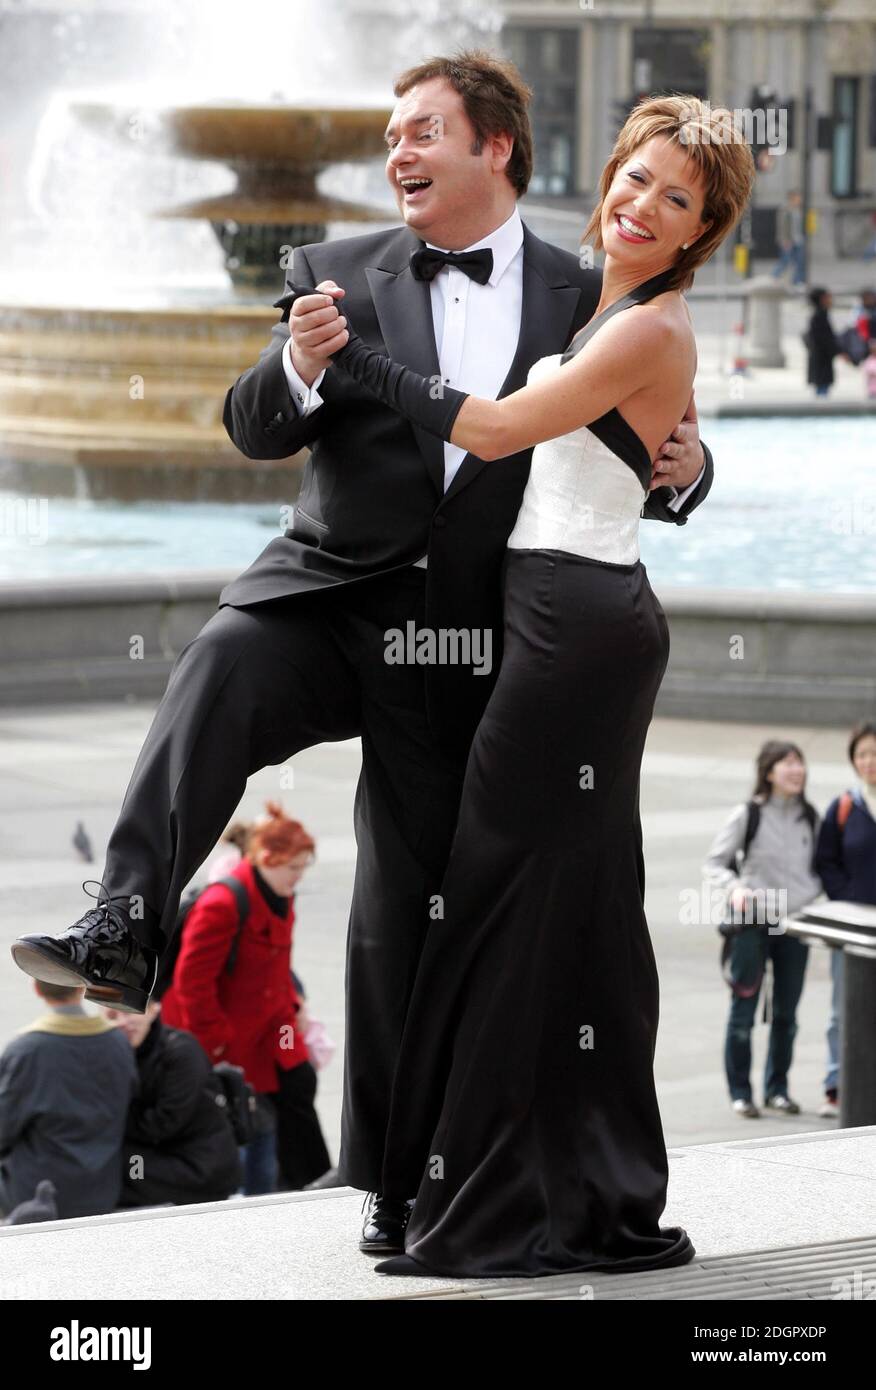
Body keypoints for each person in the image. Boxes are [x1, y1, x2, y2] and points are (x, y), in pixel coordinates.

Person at [10, 50, 715, 1256]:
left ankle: (402, 1188)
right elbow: (249, 425)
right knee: (220, 662)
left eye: (424, 130)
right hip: (332, 599)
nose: (399, 151)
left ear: (494, 146)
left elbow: (651, 420)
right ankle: (124, 922)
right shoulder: (329, 272)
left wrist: (692, 472)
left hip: (473, 638)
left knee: (411, 911)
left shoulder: (587, 284)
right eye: (391, 132)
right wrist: (296, 361)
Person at [278, 91, 754, 1277]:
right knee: (563, 908)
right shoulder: (606, 300)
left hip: (575, 631)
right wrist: (678, 461)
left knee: (499, 902)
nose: (643, 205)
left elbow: (493, 432)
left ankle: (495, 1206)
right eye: (637, 179)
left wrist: (363, 364)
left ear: (703, 230)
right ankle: (570, 1187)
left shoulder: (650, 324)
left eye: (676, 199)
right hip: (551, 616)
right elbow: (640, 453)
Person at [160, 801, 332, 1192]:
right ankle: (267, 1197)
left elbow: (280, 961)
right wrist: (219, 1044)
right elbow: (192, 985)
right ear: (267, 858)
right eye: (293, 868)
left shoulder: (280, 894)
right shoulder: (222, 904)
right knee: (250, 1123)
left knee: (296, 1093)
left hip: (271, 1029)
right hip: (231, 1041)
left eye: (303, 867)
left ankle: (312, 1188)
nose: (298, 876)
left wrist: (294, 1008)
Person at [702, 742, 821, 1120]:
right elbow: (715, 863)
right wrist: (735, 888)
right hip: (752, 924)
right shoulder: (747, 814)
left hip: (794, 926)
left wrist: (810, 898)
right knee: (744, 1011)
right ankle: (741, 1092)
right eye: (787, 764)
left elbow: (824, 867)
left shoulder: (810, 818)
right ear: (768, 772)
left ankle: (778, 1090)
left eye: (799, 763)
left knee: (787, 1013)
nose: (796, 770)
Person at [0, 982, 136, 1220]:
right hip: (101, 1189)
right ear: (81, 988)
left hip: (33, 1195)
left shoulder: (25, 1050)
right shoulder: (118, 1042)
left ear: (37, 989)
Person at [108, 1000, 244, 1210]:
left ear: (154, 1009)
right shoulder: (122, 1052)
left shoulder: (181, 1051)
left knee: (113, 1165)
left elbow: (164, 1124)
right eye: (112, 1016)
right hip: (164, 1154)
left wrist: (110, 1120)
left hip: (201, 1167)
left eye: (129, 1012)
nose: (122, 1022)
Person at [814, 722, 876, 1119]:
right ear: (854, 762)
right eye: (863, 755)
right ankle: (838, 1086)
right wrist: (846, 899)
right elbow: (825, 861)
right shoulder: (844, 808)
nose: (870, 762)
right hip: (854, 929)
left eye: (875, 753)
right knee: (843, 1009)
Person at [805, 287, 841, 398]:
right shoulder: (818, 316)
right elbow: (824, 340)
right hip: (821, 359)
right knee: (822, 392)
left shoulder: (821, 315)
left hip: (821, 359)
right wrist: (837, 350)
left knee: (823, 388)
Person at [771, 190, 805, 287]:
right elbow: (782, 226)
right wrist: (784, 240)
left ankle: (797, 281)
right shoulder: (785, 209)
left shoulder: (799, 209)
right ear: (792, 198)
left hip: (798, 239)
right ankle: (773, 277)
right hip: (788, 240)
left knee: (800, 262)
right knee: (785, 261)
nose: (800, 199)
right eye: (798, 197)